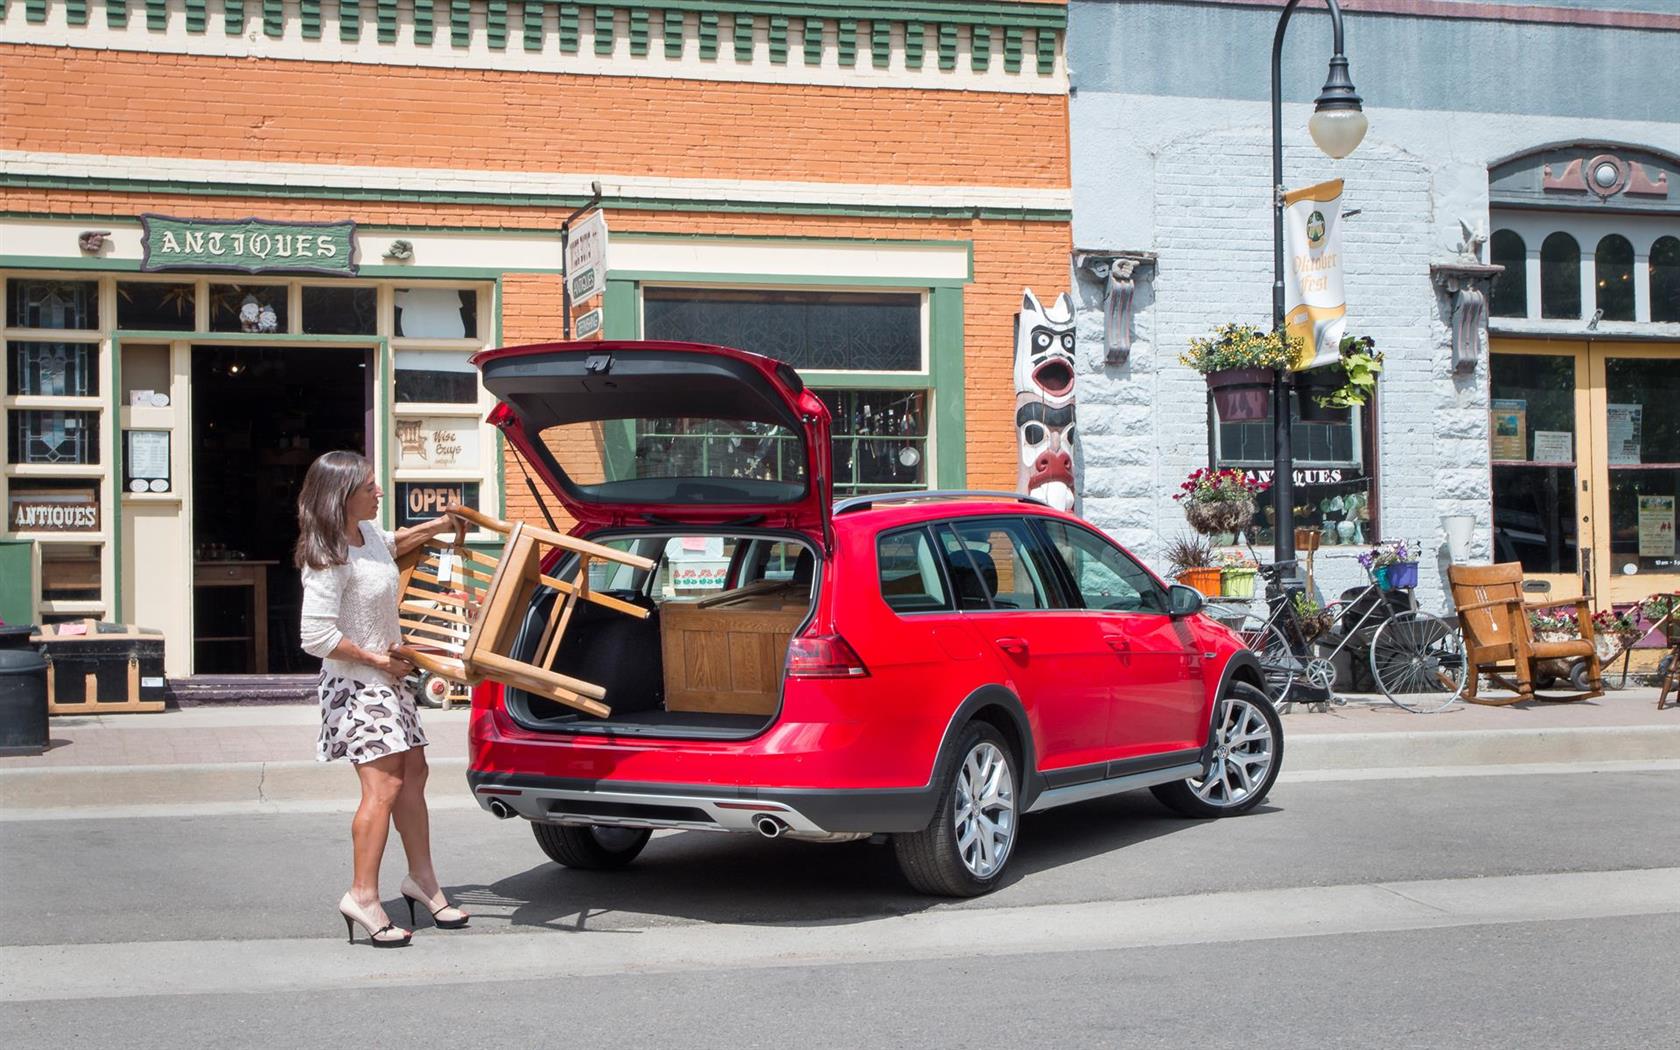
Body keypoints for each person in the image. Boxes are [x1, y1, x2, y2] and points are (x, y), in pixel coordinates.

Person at [295, 450, 470, 948]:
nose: (379, 492)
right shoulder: (327, 555)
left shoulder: (367, 535)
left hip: (388, 682)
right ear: (342, 495)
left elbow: (393, 544)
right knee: (384, 788)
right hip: (357, 685)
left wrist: (439, 524)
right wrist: (376, 660)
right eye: (370, 486)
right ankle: (362, 896)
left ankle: (422, 882)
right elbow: (314, 636)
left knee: (414, 774)